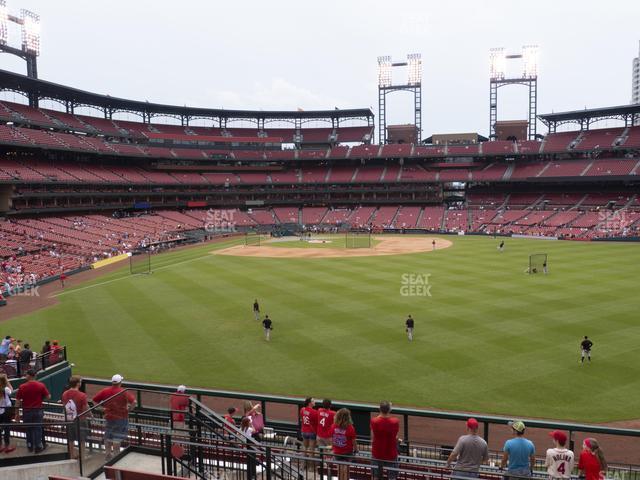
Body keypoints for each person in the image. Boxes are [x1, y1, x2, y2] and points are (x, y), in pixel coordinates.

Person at [92, 374, 136, 461]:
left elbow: (94, 400)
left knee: (108, 436)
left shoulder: (105, 391)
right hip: (121, 418)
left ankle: (108, 455)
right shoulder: (124, 391)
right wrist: (129, 410)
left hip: (109, 417)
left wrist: (101, 409)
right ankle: (116, 456)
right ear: (120, 382)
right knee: (117, 437)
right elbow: (134, 402)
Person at [15, 369, 50, 453]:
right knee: (37, 428)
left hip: (27, 411)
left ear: (30, 376)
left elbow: (18, 401)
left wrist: (17, 414)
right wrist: (41, 398)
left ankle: (30, 445)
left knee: (29, 428)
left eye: (26, 374)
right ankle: (38, 446)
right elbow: (48, 397)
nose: (25, 376)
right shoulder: (41, 385)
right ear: (35, 376)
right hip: (38, 410)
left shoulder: (22, 386)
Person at [370, 400, 400, 480]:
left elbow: (373, 435)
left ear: (379, 409)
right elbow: (395, 436)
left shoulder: (374, 421)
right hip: (391, 453)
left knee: (375, 476)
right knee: (392, 477)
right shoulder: (395, 421)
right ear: (389, 410)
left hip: (377, 453)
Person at [62, 375, 89, 459]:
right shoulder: (82, 395)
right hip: (80, 419)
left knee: (70, 439)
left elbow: (64, 406)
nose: (80, 383)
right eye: (80, 382)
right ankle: (82, 456)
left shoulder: (64, 393)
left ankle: (72, 455)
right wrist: (90, 415)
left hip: (69, 419)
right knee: (82, 439)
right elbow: (85, 409)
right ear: (77, 384)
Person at [330, 408, 357, 480]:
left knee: (340, 469)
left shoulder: (333, 426)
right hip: (347, 452)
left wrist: (333, 448)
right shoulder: (350, 428)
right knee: (346, 470)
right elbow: (354, 441)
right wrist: (356, 450)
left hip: (337, 451)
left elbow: (332, 438)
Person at [0, 373, 16, 453]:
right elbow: (11, 390)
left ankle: (0, 446)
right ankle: (7, 446)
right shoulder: (5, 389)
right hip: (6, 411)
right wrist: (6, 380)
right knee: (6, 428)